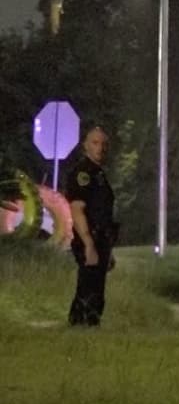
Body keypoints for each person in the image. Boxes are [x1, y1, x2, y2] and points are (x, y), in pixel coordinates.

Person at [65, 126, 117, 326]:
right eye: (95, 143)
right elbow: (77, 208)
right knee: (88, 291)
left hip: (101, 239)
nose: (100, 148)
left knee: (96, 291)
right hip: (91, 239)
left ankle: (88, 330)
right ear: (85, 146)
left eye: (104, 144)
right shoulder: (83, 173)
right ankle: (79, 329)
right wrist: (88, 243)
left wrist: (107, 250)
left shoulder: (98, 174)